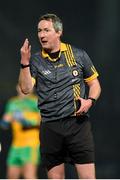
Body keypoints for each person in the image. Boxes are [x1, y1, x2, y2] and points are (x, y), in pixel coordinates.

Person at [18, 13, 101, 179]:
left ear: (58, 32)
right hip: (50, 127)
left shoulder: (78, 54)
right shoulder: (34, 61)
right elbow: (26, 89)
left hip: (77, 124)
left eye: (46, 30)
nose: (41, 35)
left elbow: (95, 85)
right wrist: (24, 62)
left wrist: (90, 101)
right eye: (39, 30)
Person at [0, 84, 41, 179]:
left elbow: (42, 121)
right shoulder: (12, 103)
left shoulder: (37, 101)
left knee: (29, 175)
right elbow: (4, 124)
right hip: (16, 146)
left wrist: (25, 121)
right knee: (11, 176)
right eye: (21, 85)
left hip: (31, 145)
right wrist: (5, 121)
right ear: (17, 87)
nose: (24, 89)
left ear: (33, 88)